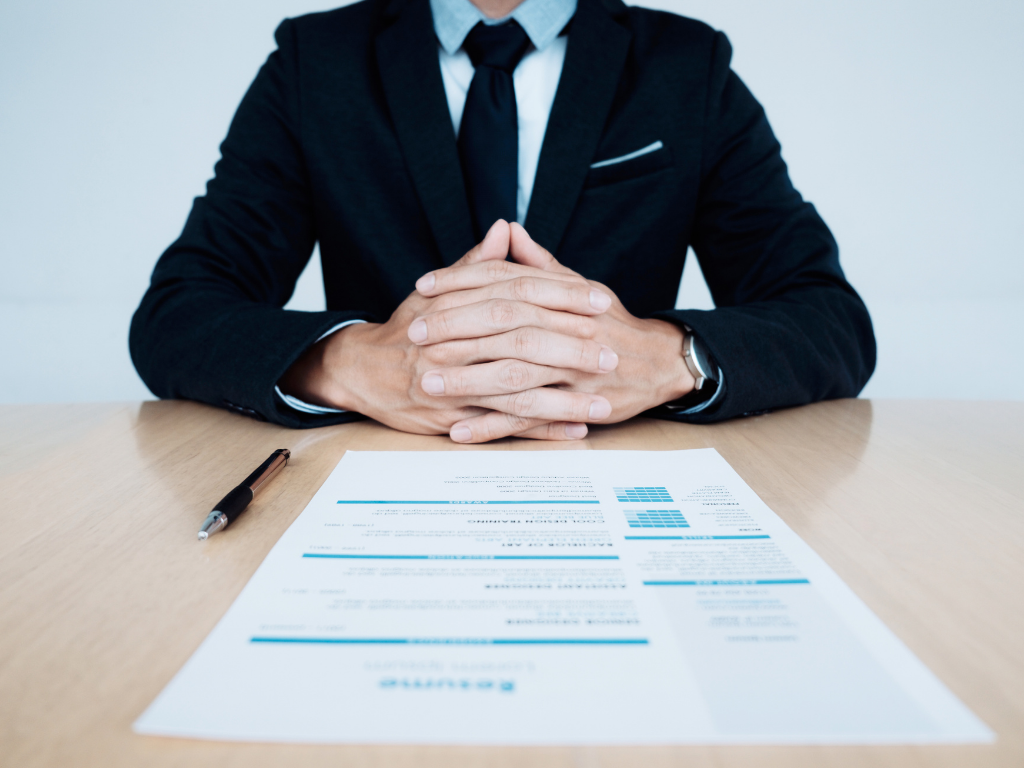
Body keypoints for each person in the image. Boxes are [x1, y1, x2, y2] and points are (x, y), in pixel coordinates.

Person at [130, 0, 875, 444]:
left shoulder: (687, 65)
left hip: (612, 479)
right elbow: (176, 315)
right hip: (380, 485)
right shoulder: (314, 62)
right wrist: (350, 364)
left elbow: (830, 318)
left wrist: (666, 358)